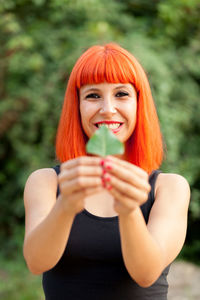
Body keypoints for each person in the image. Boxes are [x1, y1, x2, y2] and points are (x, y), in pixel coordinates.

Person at [23, 43, 190, 300]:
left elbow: (146, 274)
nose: (108, 108)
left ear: (139, 104)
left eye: (121, 94)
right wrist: (66, 204)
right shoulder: (46, 182)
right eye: (93, 95)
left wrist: (128, 208)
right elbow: (36, 262)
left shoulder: (169, 188)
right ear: (76, 106)